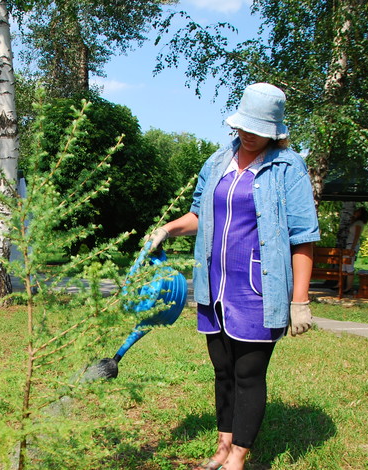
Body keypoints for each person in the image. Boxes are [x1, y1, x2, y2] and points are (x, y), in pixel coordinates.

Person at [145, 83, 320, 470]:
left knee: (248, 372)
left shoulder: (289, 167)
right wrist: (167, 229)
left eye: (258, 129)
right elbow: (198, 215)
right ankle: (223, 446)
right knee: (222, 370)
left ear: (275, 130)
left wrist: (300, 301)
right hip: (214, 285)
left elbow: (303, 238)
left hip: (259, 289)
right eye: (244, 126)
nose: (248, 134)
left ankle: (238, 456)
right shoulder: (217, 161)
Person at [342, 207, 368, 292]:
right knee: (344, 265)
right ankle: (341, 284)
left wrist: (352, 248)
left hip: (351, 245)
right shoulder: (356, 222)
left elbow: (356, 236)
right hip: (349, 245)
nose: (355, 212)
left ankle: (349, 286)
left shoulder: (359, 223)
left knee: (349, 265)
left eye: (357, 211)